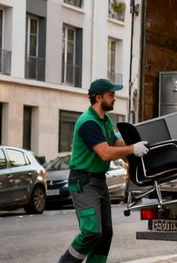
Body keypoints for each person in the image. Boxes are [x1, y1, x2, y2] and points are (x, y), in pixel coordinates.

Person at [59, 79, 149, 263]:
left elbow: (116, 143)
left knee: (105, 233)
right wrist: (132, 149)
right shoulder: (88, 122)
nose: (115, 98)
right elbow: (105, 153)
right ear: (98, 98)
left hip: (98, 181)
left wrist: (136, 156)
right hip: (83, 182)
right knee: (91, 232)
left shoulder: (105, 120)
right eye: (111, 94)